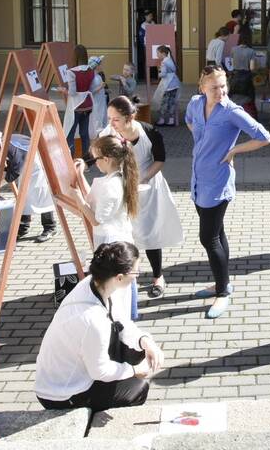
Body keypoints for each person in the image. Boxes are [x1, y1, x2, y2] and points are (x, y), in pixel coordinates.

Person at [34, 241, 165, 411]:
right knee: (138, 388)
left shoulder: (95, 283)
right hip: (61, 394)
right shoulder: (93, 319)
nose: (138, 275)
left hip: (61, 377)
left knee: (138, 350)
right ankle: (90, 412)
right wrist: (133, 370)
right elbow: (100, 371)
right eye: (136, 272)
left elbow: (123, 322)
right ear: (119, 277)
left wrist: (146, 341)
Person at [185, 66, 270, 318]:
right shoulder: (194, 103)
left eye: (223, 86)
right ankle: (223, 282)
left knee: (208, 238)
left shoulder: (232, 111)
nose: (220, 91)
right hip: (198, 179)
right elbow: (190, 122)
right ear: (202, 87)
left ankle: (222, 293)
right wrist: (203, 143)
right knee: (217, 233)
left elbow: (263, 136)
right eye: (214, 87)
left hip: (218, 181)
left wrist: (234, 150)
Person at [100, 95, 183, 299]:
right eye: (109, 118)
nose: (111, 123)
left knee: (149, 233)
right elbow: (97, 155)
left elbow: (160, 159)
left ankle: (158, 277)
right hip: (121, 189)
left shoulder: (149, 131)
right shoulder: (109, 133)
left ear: (130, 117)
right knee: (125, 234)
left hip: (148, 187)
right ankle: (127, 279)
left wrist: (142, 178)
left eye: (116, 119)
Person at [72, 134, 141, 317]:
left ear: (107, 159)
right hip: (114, 238)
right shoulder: (112, 178)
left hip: (114, 242)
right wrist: (79, 176)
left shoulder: (112, 186)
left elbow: (96, 219)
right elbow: (93, 199)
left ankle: (119, 319)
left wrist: (78, 200)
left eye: (95, 159)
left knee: (116, 288)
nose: (94, 163)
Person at [0, 134, 58, 242]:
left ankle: (50, 227)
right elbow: (9, 164)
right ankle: (22, 228)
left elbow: (15, 170)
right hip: (27, 167)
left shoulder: (8, 146)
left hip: (37, 165)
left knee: (42, 198)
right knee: (24, 198)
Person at [63, 45, 106, 161]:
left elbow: (72, 92)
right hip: (87, 104)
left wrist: (63, 90)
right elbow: (91, 89)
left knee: (70, 134)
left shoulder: (71, 72)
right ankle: (87, 160)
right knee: (84, 133)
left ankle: (70, 160)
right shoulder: (90, 71)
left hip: (76, 106)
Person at [230, 29, 259, 118]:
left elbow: (231, 64)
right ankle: (250, 117)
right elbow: (252, 68)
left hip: (235, 76)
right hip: (246, 77)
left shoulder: (233, 49)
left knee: (233, 98)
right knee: (249, 98)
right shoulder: (251, 51)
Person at [153, 45, 181, 126]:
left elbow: (163, 74)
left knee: (164, 102)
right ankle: (171, 120)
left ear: (163, 53)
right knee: (172, 102)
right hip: (175, 83)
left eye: (158, 53)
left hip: (167, 84)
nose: (157, 55)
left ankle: (161, 120)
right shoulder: (170, 60)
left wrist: (159, 73)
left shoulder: (164, 62)